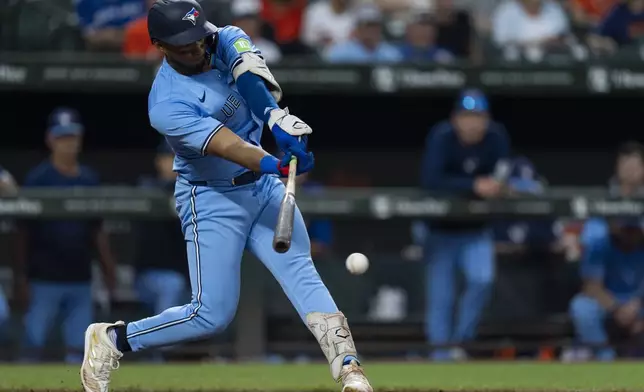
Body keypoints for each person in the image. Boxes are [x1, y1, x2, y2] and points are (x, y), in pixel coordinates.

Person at [80, 1, 372, 392]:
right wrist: (274, 161)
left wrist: (275, 119)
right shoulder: (166, 103)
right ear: (159, 45)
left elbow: (251, 80)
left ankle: (350, 369)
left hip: (263, 190)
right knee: (211, 314)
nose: (195, 50)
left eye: (197, 40)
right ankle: (113, 339)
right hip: (212, 198)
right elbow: (227, 145)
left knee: (301, 271)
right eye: (182, 45)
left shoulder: (225, 37)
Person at [15, 107, 117, 363]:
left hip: (80, 278)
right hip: (43, 279)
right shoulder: (38, 179)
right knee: (32, 345)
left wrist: (107, 269)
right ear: (51, 140)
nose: (68, 143)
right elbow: (22, 233)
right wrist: (21, 277)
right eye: (62, 137)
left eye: (72, 136)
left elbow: (97, 231)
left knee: (79, 350)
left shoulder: (89, 179)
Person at [420, 88, 511, 361]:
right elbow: (431, 180)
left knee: (482, 279)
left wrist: (499, 186)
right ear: (455, 118)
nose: (472, 122)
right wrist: (472, 185)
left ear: (487, 119)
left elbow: (502, 173)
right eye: (466, 116)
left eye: (479, 116)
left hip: (475, 231)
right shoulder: (442, 136)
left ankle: (461, 343)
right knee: (441, 299)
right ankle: (439, 359)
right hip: (441, 231)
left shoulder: (496, 137)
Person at [133, 140, 188, 361]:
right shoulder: (147, 187)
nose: (174, 163)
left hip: (188, 279)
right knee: (171, 285)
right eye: (169, 157)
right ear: (159, 161)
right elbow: (148, 189)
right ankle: (161, 356)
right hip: (149, 277)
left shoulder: (194, 188)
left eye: (180, 158)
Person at [570, 217, 644, 361]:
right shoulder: (600, 246)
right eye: (626, 230)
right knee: (581, 307)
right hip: (608, 301)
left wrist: (637, 305)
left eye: (634, 230)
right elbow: (591, 286)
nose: (630, 234)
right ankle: (604, 358)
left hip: (638, 303)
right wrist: (616, 309)